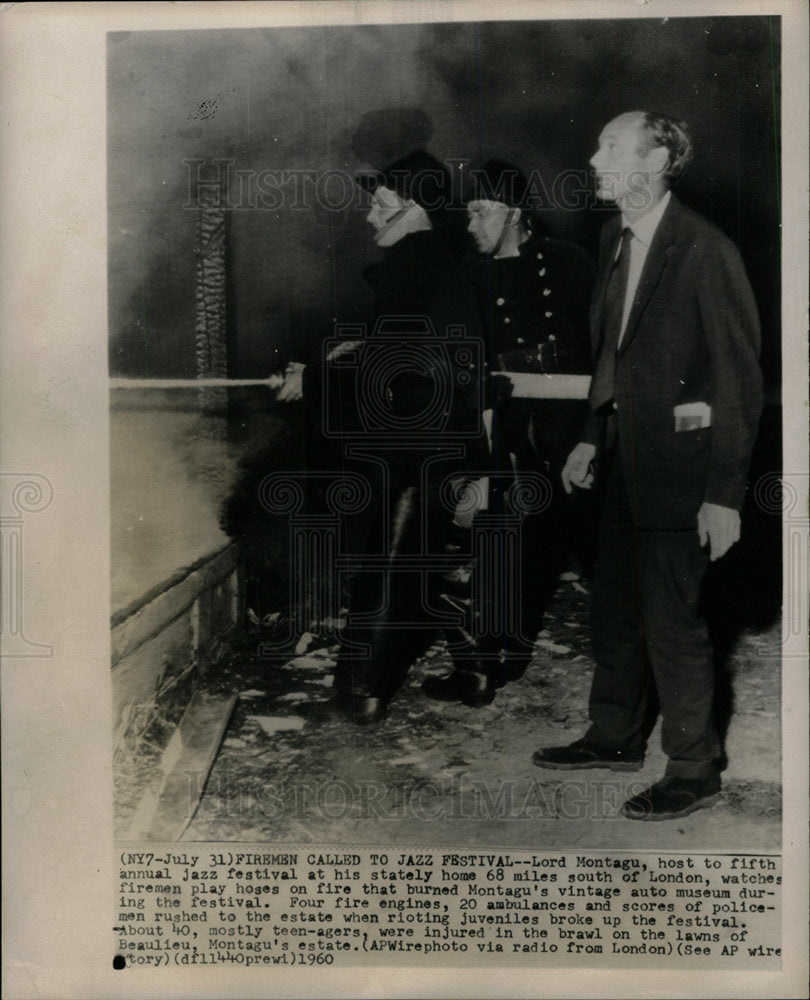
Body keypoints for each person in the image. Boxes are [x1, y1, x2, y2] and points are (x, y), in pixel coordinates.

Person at [531, 111, 763, 820]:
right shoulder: (614, 239)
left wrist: (723, 494)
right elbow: (613, 354)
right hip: (624, 457)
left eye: (608, 146)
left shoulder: (704, 249)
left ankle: (694, 767)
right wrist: (589, 437)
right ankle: (614, 734)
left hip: (682, 470)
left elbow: (738, 378)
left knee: (674, 620)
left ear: (658, 157)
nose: (592, 158)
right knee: (616, 607)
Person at [276, 149, 487, 724]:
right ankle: (461, 668)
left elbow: (407, 362)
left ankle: (362, 696)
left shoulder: (418, 265)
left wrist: (315, 376)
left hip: (423, 447)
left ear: (413, 208)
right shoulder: (424, 266)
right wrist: (345, 355)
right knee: (398, 564)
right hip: (423, 443)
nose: (369, 216)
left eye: (380, 204)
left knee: (389, 569)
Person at [422, 159, 594, 706]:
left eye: (479, 212)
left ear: (513, 212)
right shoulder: (472, 279)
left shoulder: (570, 263)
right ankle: (493, 660)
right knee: (501, 538)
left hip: (575, 418)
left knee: (587, 539)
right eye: (468, 213)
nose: (470, 225)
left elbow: (602, 339)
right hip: (510, 421)